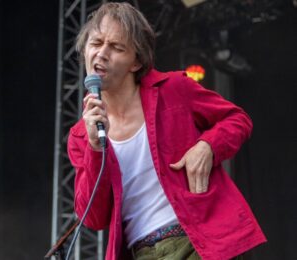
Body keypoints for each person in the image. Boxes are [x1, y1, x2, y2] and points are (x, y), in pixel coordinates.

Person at [67, 2, 266, 260]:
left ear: (136, 61)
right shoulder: (81, 135)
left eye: (116, 47)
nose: (102, 54)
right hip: (142, 252)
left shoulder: (173, 89)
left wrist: (208, 146)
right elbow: (93, 217)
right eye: (96, 43)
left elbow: (237, 119)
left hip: (197, 239)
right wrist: (95, 148)